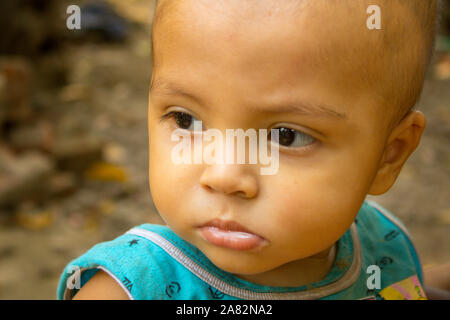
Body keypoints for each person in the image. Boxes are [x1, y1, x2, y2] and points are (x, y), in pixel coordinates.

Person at [57, 0, 447, 300]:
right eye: (186, 120)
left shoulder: (384, 247)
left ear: (389, 155)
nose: (223, 176)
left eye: (287, 137)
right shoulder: (131, 289)